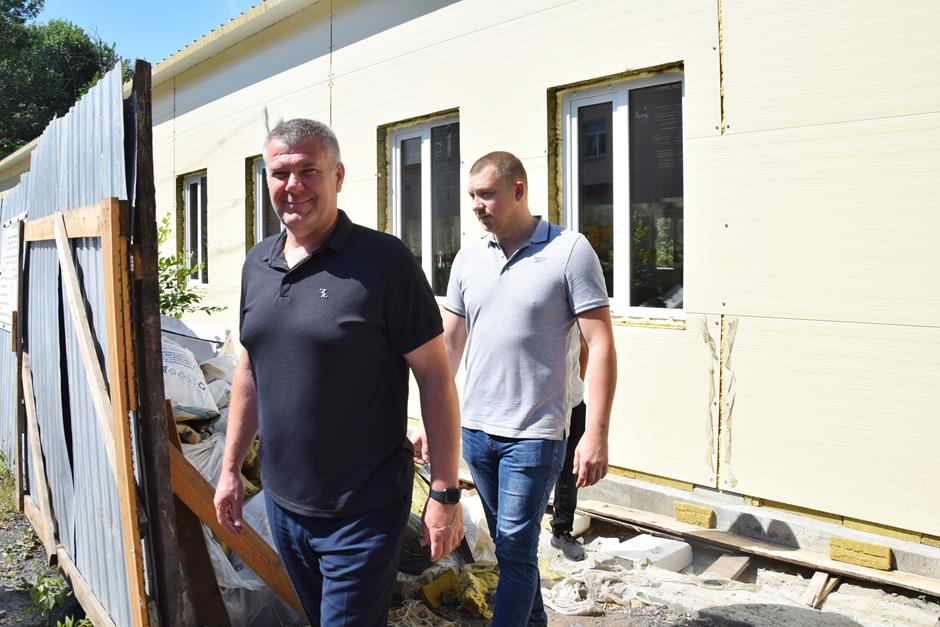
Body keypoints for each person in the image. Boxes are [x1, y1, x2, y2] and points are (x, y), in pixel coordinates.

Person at [214, 119, 464, 627]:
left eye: (309, 171)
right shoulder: (257, 264)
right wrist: (230, 470)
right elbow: (250, 369)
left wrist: (444, 491)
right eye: (280, 173)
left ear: (339, 176)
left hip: (362, 510)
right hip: (284, 507)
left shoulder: (384, 262)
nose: (294, 186)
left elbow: (435, 378)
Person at [415, 151, 617, 626]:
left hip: (536, 433)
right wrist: (428, 422)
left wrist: (596, 433)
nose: (476, 205)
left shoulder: (569, 250)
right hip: (476, 432)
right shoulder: (468, 258)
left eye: (486, 194)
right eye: (472, 196)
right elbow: (449, 347)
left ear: (519, 190)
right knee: (511, 550)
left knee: (515, 549)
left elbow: (601, 344)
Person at [551, 336, 589, 561]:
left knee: (570, 468)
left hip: (572, 400)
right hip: (537, 404)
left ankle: (561, 531)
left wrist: (577, 383)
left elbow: (584, 344)